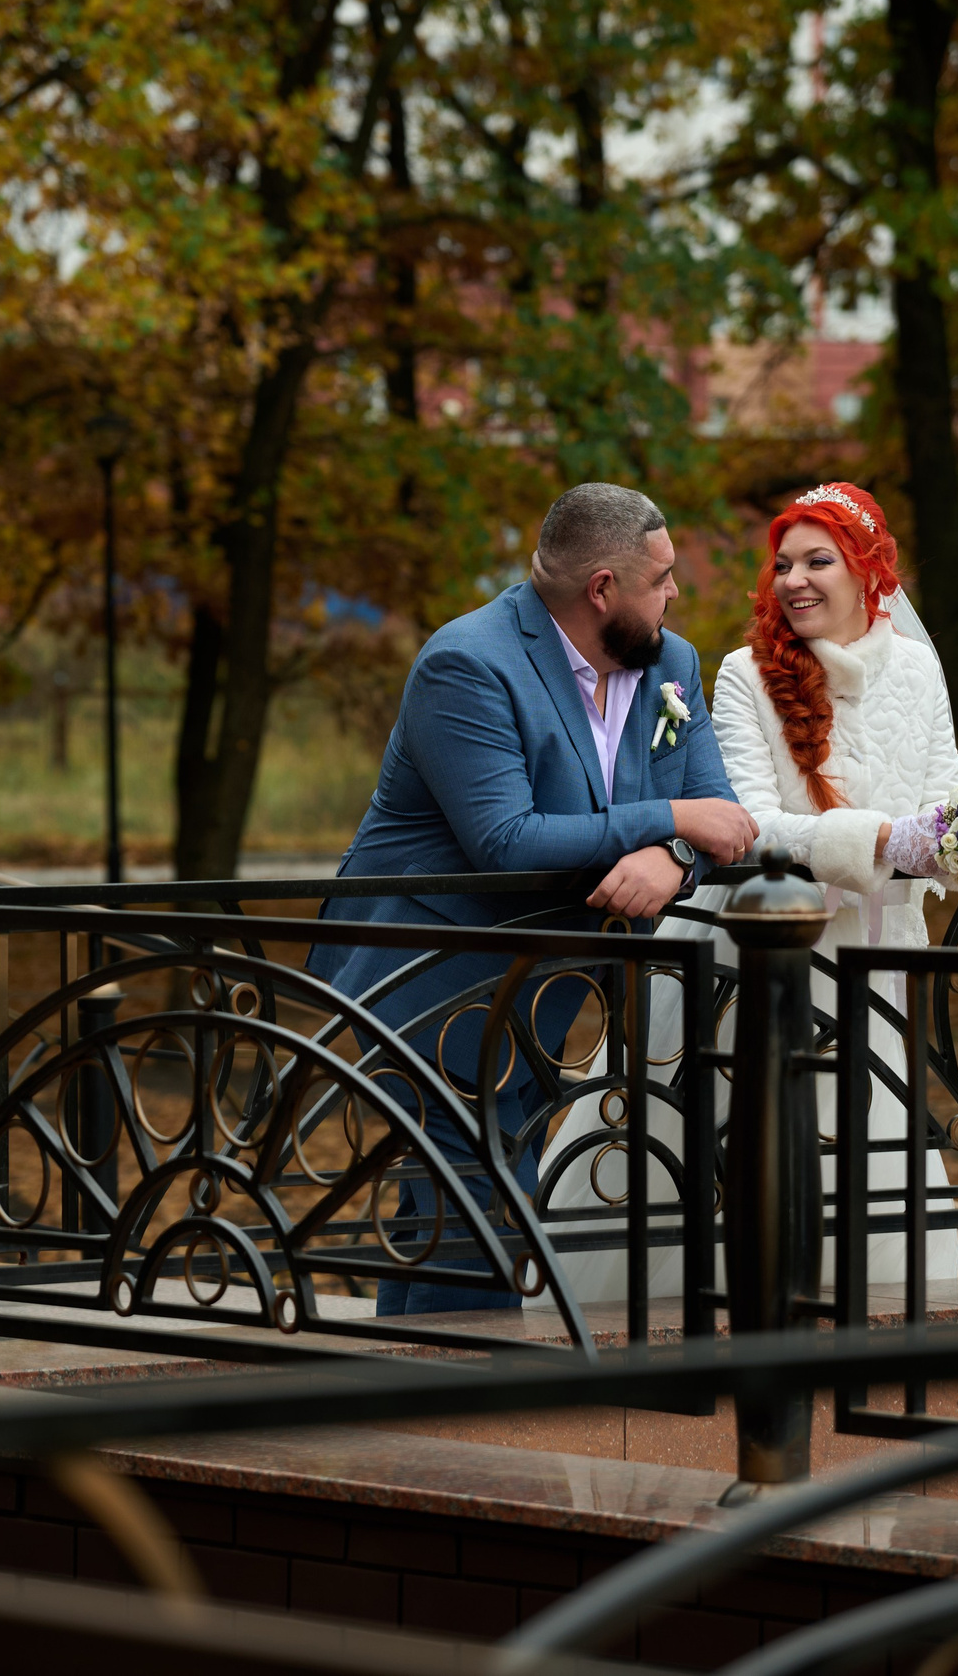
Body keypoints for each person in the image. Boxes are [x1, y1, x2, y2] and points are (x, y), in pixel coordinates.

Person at [309, 482, 757, 1314]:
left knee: (445, 1216)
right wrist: (669, 817)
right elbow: (505, 840)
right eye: (661, 577)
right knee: (489, 1214)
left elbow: (719, 815)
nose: (676, 593)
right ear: (602, 589)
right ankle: (480, 1416)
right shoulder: (467, 663)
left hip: (538, 996)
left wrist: (674, 853)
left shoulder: (673, 663)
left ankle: (403, 1413)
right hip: (427, 983)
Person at [542, 481, 958, 1301]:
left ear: (868, 571)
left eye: (819, 561)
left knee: (863, 1163)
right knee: (719, 1160)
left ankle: (856, 1346)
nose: (795, 580)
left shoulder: (918, 669)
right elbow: (746, 823)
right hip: (748, 957)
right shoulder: (743, 674)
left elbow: (941, 794)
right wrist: (882, 840)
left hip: (871, 962)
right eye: (783, 564)